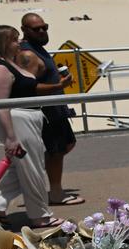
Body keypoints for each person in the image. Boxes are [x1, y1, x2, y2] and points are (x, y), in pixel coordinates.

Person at [0, 25, 61, 228]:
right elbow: (1, 105)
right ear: (1, 42)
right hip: (18, 119)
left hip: (29, 117)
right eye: (13, 39)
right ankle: (40, 216)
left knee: (22, 169)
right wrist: (10, 137)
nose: (18, 43)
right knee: (32, 169)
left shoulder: (10, 64)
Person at [20, 14, 83, 206]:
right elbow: (28, 87)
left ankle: (47, 185)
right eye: (36, 29)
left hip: (54, 108)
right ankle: (55, 192)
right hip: (47, 111)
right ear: (25, 30)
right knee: (56, 150)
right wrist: (59, 85)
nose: (42, 31)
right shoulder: (28, 55)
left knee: (65, 145)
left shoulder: (38, 49)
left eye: (44, 27)